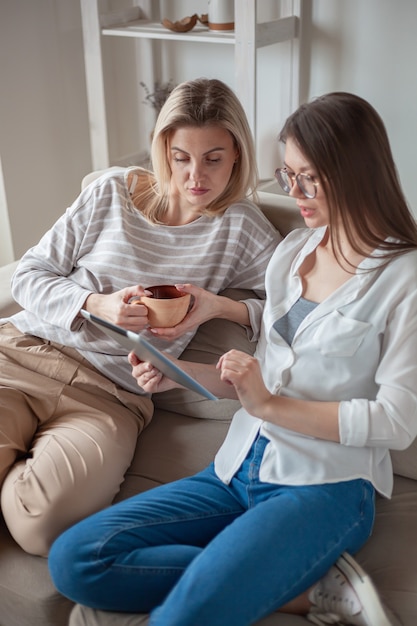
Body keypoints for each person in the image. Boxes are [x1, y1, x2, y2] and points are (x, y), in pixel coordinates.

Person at [48, 92, 417, 626]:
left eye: (308, 177)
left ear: (356, 172)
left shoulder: (404, 278)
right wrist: (179, 373)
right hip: (237, 470)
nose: (293, 192)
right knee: (75, 558)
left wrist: (268, 404)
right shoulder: (293, 253)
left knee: (181, 616)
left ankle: (247, 574)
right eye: (286, 174)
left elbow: (397, 421)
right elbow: (258, 379)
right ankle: (297, 588)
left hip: (323, 486)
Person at [0, 78, 281, 557]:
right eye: (181, 157)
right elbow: (27, 275)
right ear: (163, 150)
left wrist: (220, 306)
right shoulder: (111, 192)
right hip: (24, 358)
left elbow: (295, 307)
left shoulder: (241, 227)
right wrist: (96, 304)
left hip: (110, 398)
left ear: (237, 154)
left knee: (43, 528)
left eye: (213, 158)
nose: (196, 176)